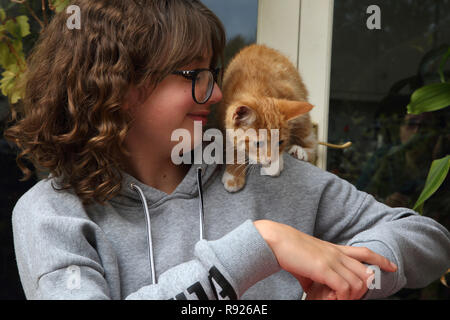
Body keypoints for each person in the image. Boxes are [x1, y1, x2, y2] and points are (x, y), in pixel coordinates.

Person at [4, 0, 449, 300]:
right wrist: (263, 245)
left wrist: (351, 276)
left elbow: (423, 237)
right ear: (119, 86)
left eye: (213, 74)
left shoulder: (264, 171)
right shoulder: (53, 215)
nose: (216, 94)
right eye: (194, 75)